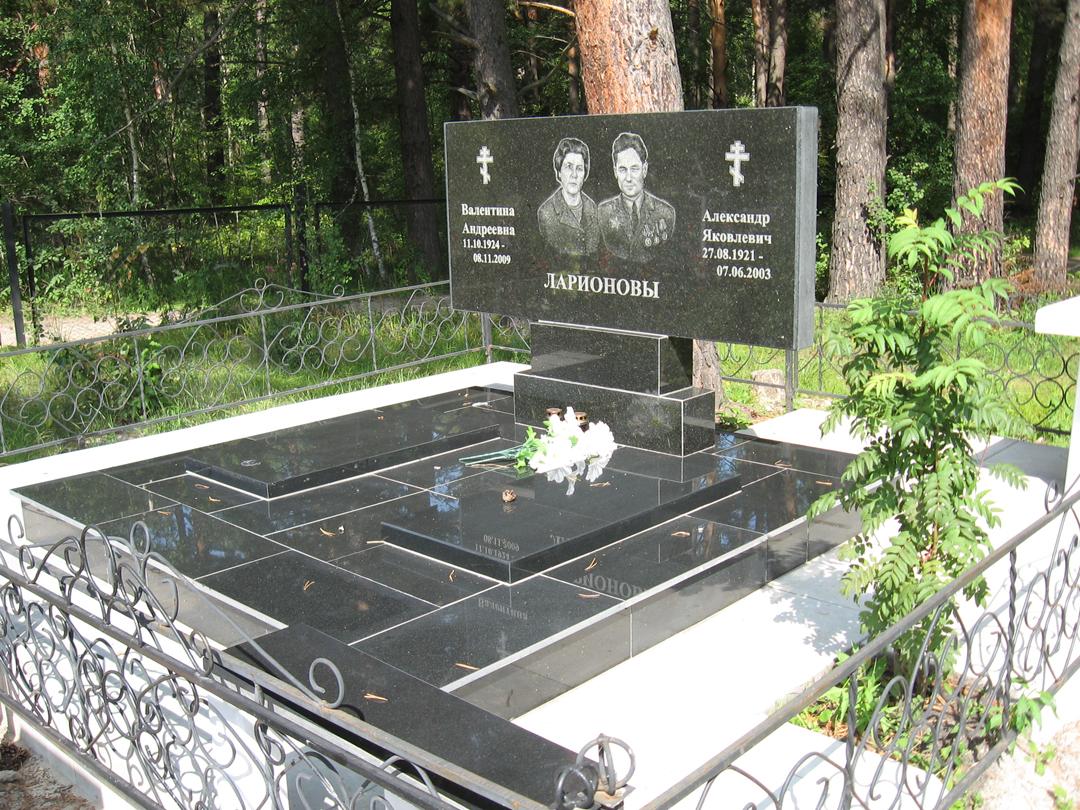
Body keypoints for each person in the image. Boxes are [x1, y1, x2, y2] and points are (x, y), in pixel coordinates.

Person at [598, 132, 676, 261]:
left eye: (634, 169)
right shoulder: (603, 212)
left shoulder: (666, 213)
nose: (628, 178)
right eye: (622, 169)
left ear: (644, 170)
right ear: (615, 171)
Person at [537, 137, 600, 257]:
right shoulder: (546, 212)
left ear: (585, 174)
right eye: (568, 167)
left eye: (579, 169)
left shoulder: (593, 208)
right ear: (559, 172)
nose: (574, 175)